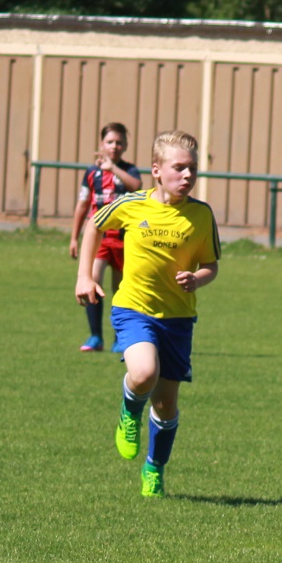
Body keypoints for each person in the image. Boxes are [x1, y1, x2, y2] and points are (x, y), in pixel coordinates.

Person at [77, 130, 219, 498]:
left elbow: (211, 265)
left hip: (178, 319)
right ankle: (129, 411)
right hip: (134, 309)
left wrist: (197, 279)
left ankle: (154, 468)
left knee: (167, 404)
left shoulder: (201, 216)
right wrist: (84, 277)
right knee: (143, 373)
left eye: (192, 170)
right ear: (157, 170)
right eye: (179, 169)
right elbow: (94, 224)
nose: (187, 176)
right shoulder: (133, 204)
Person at [67, 122, 142, 352]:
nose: (115, 146)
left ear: (126, 145)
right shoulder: (91, 173)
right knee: (93, 281)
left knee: (121, 290)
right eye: (110, 142)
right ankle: (95, 337)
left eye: (119, 142)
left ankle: (120, 338)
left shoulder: (129, 170)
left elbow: (137, 186)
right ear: (102, 144)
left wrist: (113, 169)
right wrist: (74, 237)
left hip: (124, 239)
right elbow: (82, 204)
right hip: (99, 239)